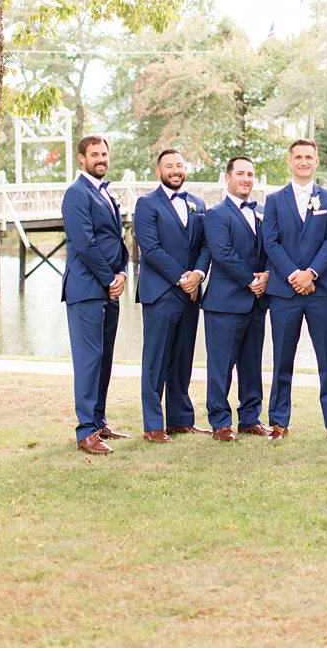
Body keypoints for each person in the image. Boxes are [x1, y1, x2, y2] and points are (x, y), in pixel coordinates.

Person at [262, 138, 327, 442]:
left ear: (317, 161)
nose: (303, 162)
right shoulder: (273, 200)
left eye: (309, 157)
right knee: (282, 358)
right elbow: (270, 242)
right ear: (290, 161)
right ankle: (278, 422)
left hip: (321, 291)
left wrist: (310, 273)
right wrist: (294, 275)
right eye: (298, 157)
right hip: (284, 292)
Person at [131, 148, 210, 441]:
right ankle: (153, 425)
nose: (175, 170)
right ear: (158, 171)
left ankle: (180, 419)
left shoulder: (197, 203)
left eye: (179, 165)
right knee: (156, 360)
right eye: (169, 166)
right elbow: (150, 250)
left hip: (191, 293)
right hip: (162, 293)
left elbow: (206, 245)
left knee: (182, 358)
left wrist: (198, 275)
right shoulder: (146, 204)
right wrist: (181, 278)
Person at [61, 134, 132, 455]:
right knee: (89, 360)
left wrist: (122, 273)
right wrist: (108, 278)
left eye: (104, 153)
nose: (101, 158)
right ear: (82, 158)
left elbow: (116, 240)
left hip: (108, 289)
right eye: (95, 154)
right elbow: (85, 243)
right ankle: (85, 431)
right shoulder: (76, 194)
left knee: (104, 359)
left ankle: (99, 422)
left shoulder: (105, 193)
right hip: (87, 290)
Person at [202, 156, 273, 441]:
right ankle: (220, 422)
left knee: (251, 363)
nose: (246, 179)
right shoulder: (216, 214)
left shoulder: (263, 212)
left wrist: (267, 274)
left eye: (250, 174)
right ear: (227, 177)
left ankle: (250, 418)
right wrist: (251, 280)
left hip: (257, 302)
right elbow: (223, 253)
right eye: (241, 174)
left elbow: (271, 248)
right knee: (221, 366)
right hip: (225, 303)